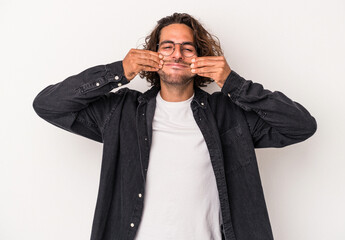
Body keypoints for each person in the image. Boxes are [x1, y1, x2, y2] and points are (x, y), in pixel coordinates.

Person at [33, 12, 317, 240]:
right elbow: (48, 104)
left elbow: (301, 126)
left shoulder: (228, 114)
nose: (177, 54)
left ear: (200, 57)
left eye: (187, 48)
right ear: (153, 57)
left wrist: (234, 83)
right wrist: (117, 72)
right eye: (167, 46)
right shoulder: (120, 111)